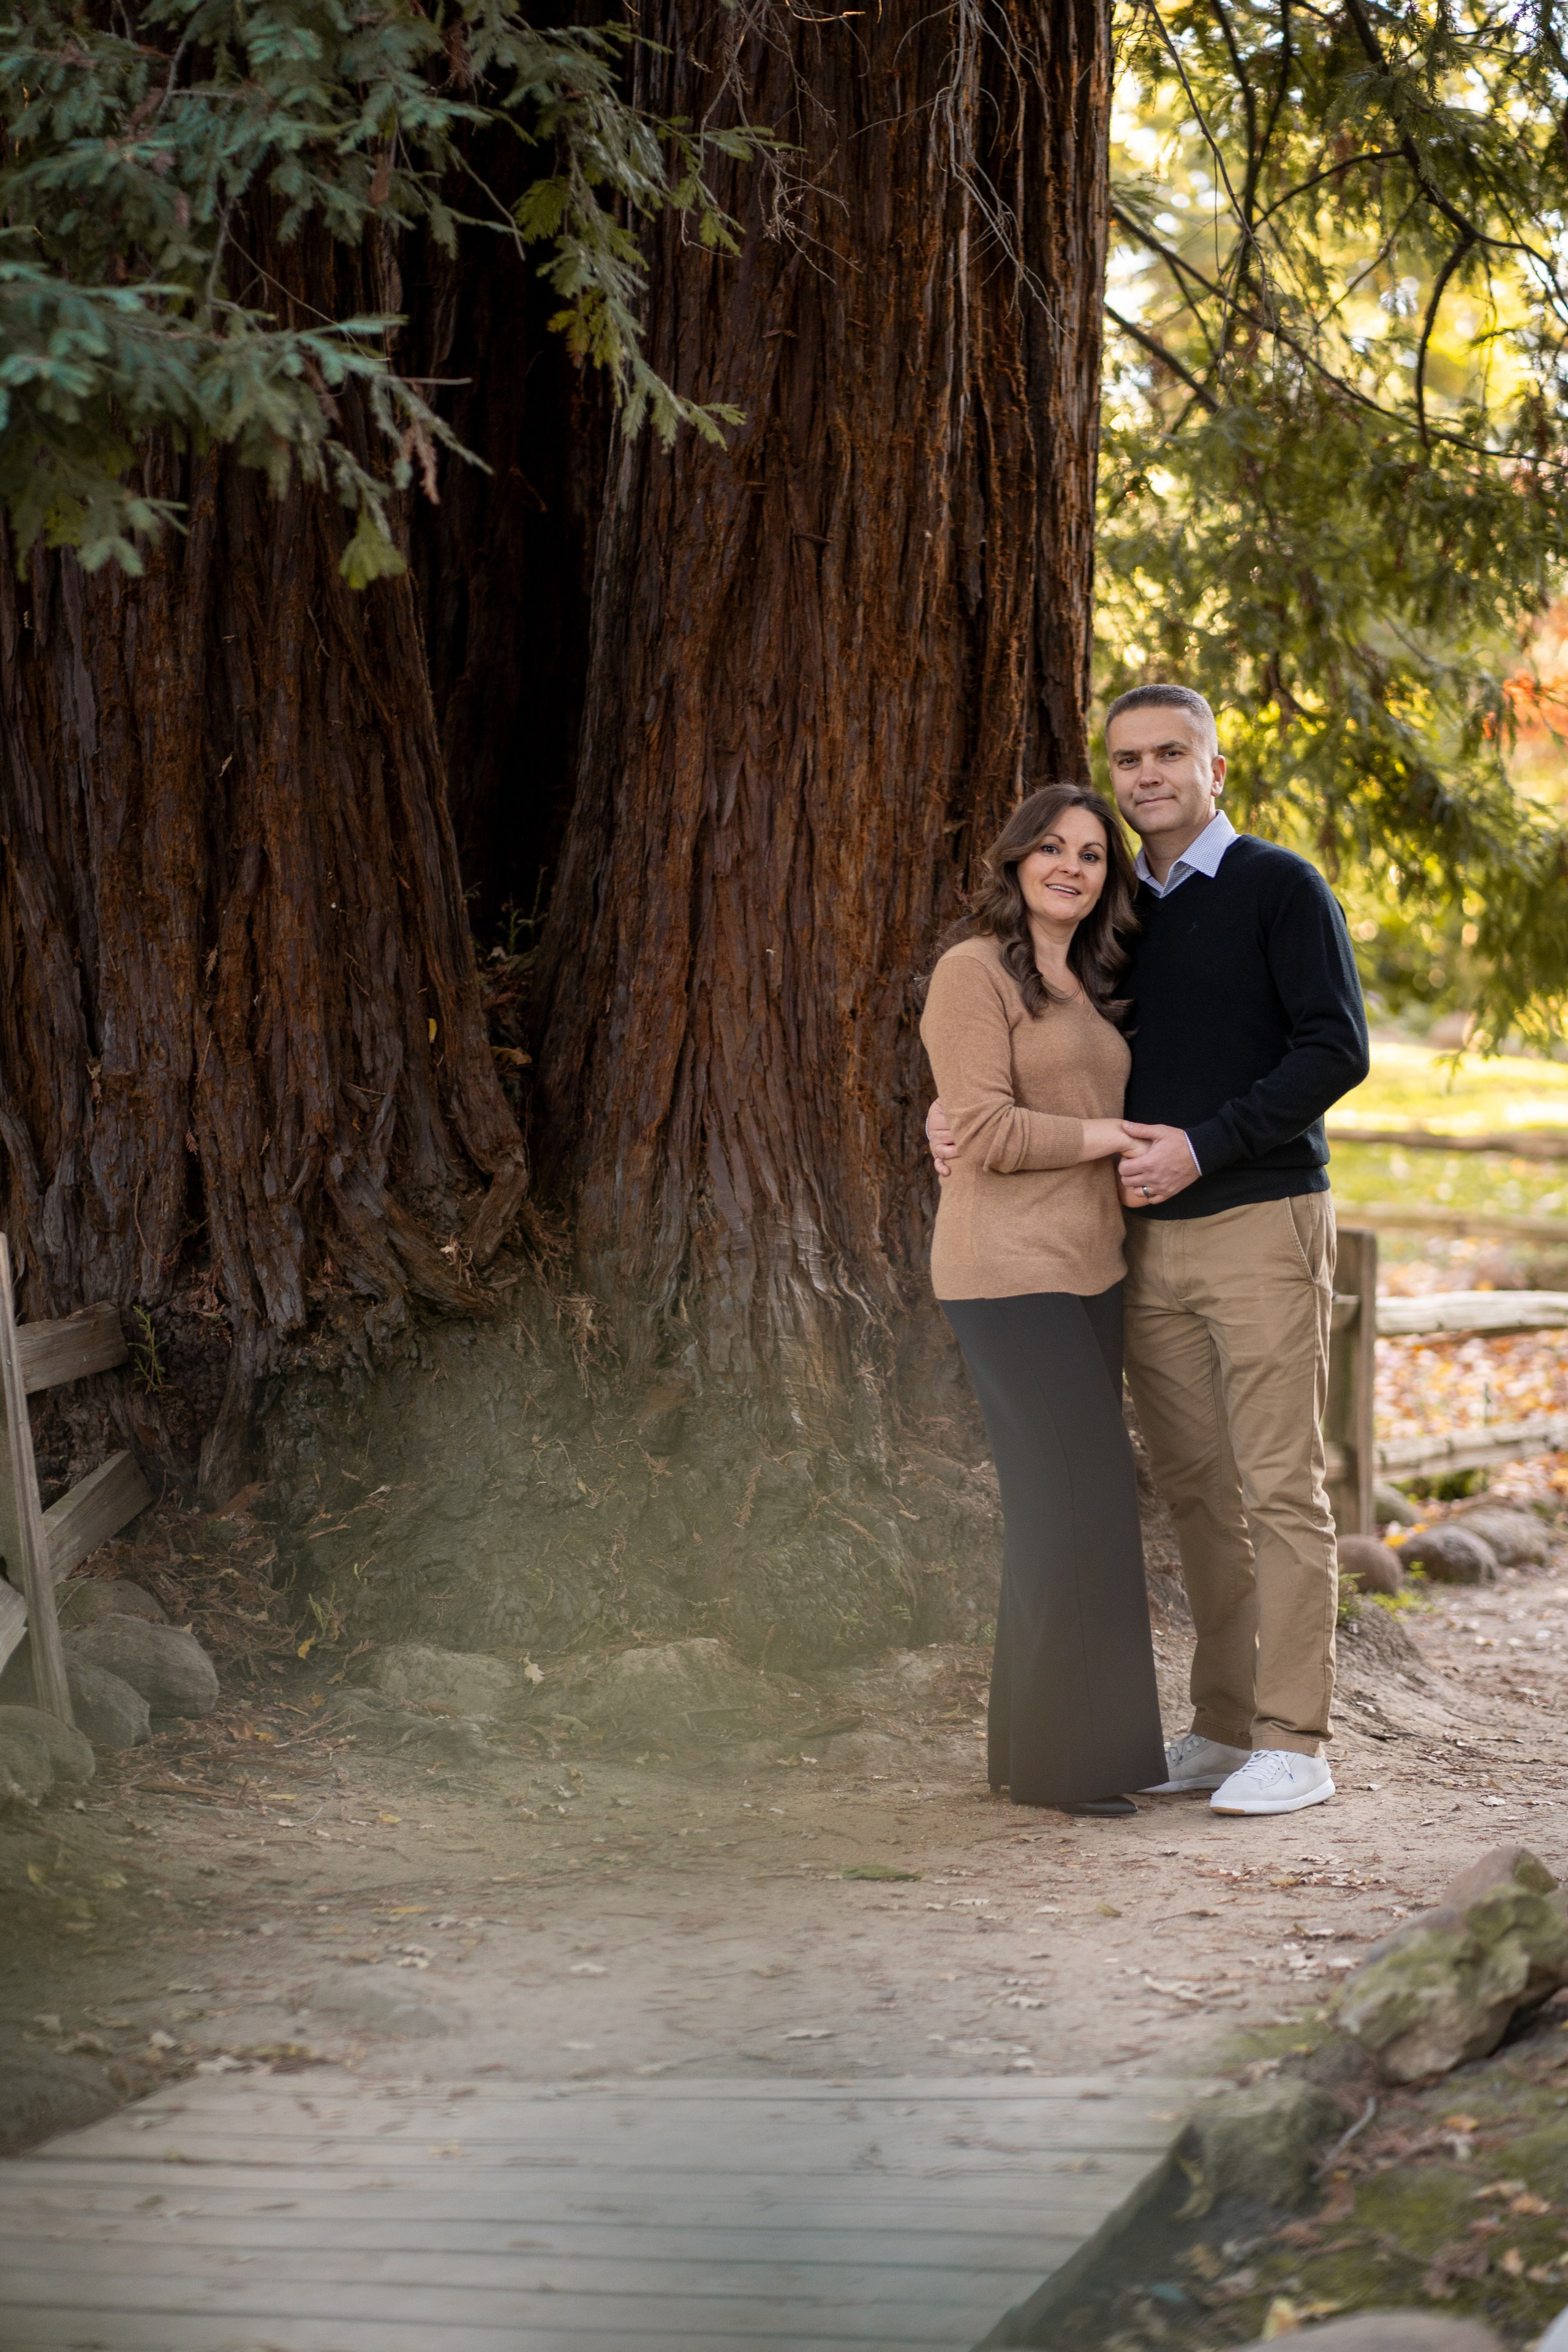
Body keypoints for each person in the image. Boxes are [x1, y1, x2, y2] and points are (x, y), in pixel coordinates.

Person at [927, 687, 1370, 1818]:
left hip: (1260, 1222)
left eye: (1172, 752)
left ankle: (1296, 1738)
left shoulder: (1280, 887)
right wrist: (950, 1125)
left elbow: (1338, 1048)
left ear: (1215, 767)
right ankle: (1223, 1729)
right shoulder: (1120, 912)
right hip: (1137, 1250)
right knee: (1194, 1495)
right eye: (1128, 759)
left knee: (1279, 1486)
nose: (1148, 775)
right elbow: (1035, 1063)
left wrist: (1205, 1148)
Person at [919, 783, 1168, 1819]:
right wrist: (1108, 1140)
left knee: (1050, 1513)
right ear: (1016, 859)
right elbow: (985, 1130)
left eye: (1095, 854)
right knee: (1087, 1499)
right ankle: (1074, 1769)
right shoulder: (971, 971)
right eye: (1053, 848)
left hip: (1091, 1268)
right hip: (1004, 1272)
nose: (1073, 866)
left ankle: (1028, 1754)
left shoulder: (1096, 978)